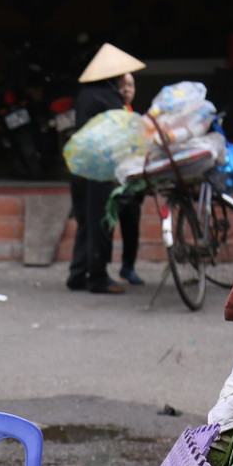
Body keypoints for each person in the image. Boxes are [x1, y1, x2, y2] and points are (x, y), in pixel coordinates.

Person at [66, 43, 146, 294]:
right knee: (100, 222)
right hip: (99, 170)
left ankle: (77, 274)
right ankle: (98, 279)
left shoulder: (86, 94)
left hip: (79, 168)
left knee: (85, 222)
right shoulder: (110, 97)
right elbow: (118, 136)